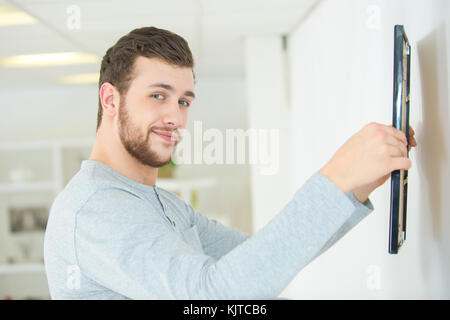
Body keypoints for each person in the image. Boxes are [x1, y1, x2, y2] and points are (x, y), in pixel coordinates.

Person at [43, 26, 417, 299]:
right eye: (158, 95)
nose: (176, 117)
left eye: (184, 101)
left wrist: (355, 185)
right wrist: (336, 176)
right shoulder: (96, 208)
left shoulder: (162, 204)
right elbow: (214, 296)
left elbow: (259, 260)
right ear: (111, 100)